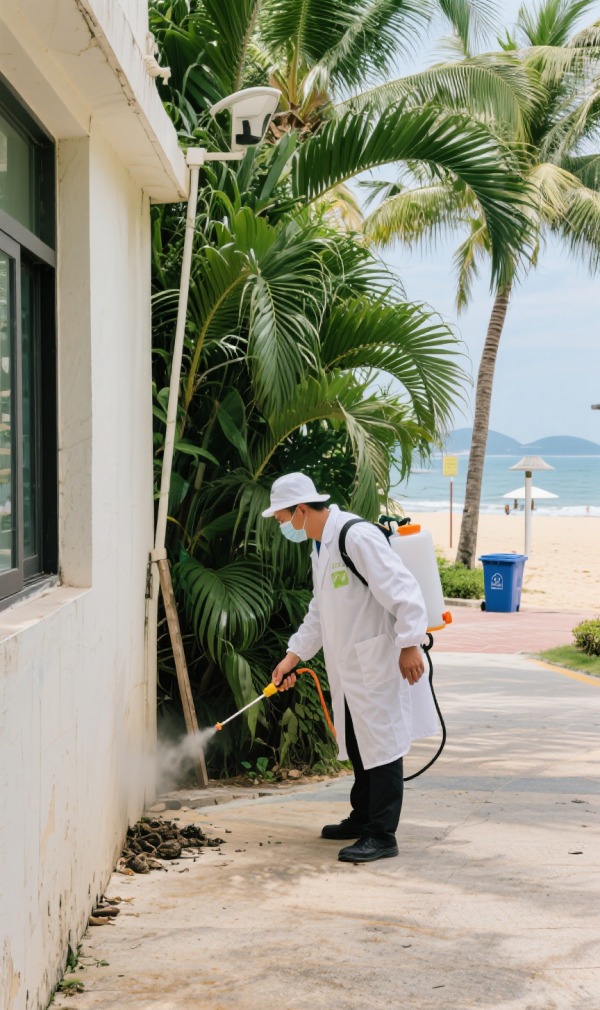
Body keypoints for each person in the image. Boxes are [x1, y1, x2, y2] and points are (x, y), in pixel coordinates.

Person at [263, 472, 439, 864]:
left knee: (384, 744)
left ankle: (381, 834)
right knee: (360, 743)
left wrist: (410, 644)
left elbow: (404, 590)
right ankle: (361, 818)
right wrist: (294, 655)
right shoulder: (319, 547)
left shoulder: (354, 537)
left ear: (302, 510)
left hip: (378, 660)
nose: (284, 529)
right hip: (350, 668)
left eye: (283, 520)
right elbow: (319, 612)